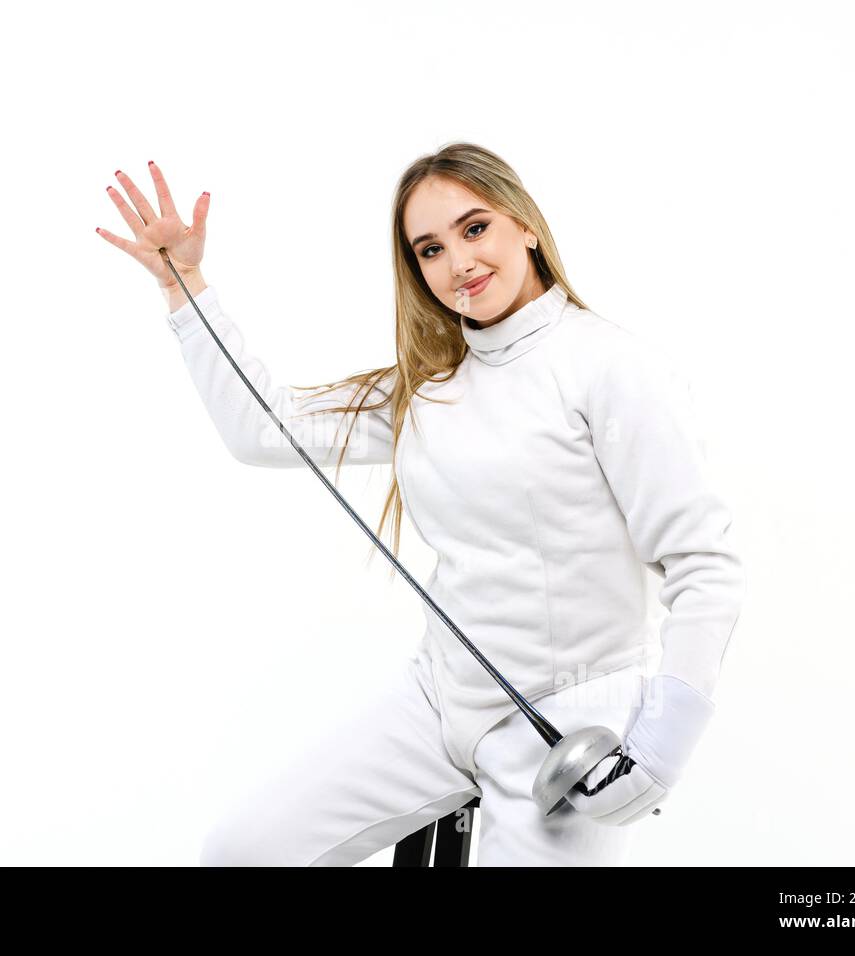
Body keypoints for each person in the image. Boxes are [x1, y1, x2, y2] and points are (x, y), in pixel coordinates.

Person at [96, 143, 745, 866]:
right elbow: (261, 428)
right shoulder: (430, 387)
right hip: (439, 701)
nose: (459, 263)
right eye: (430, 249)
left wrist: (660, 750)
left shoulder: (610, 367)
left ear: (524, 225)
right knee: (243, 851)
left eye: (475, 229)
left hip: (566, 723)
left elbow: (703, 563)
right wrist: (185, 286)